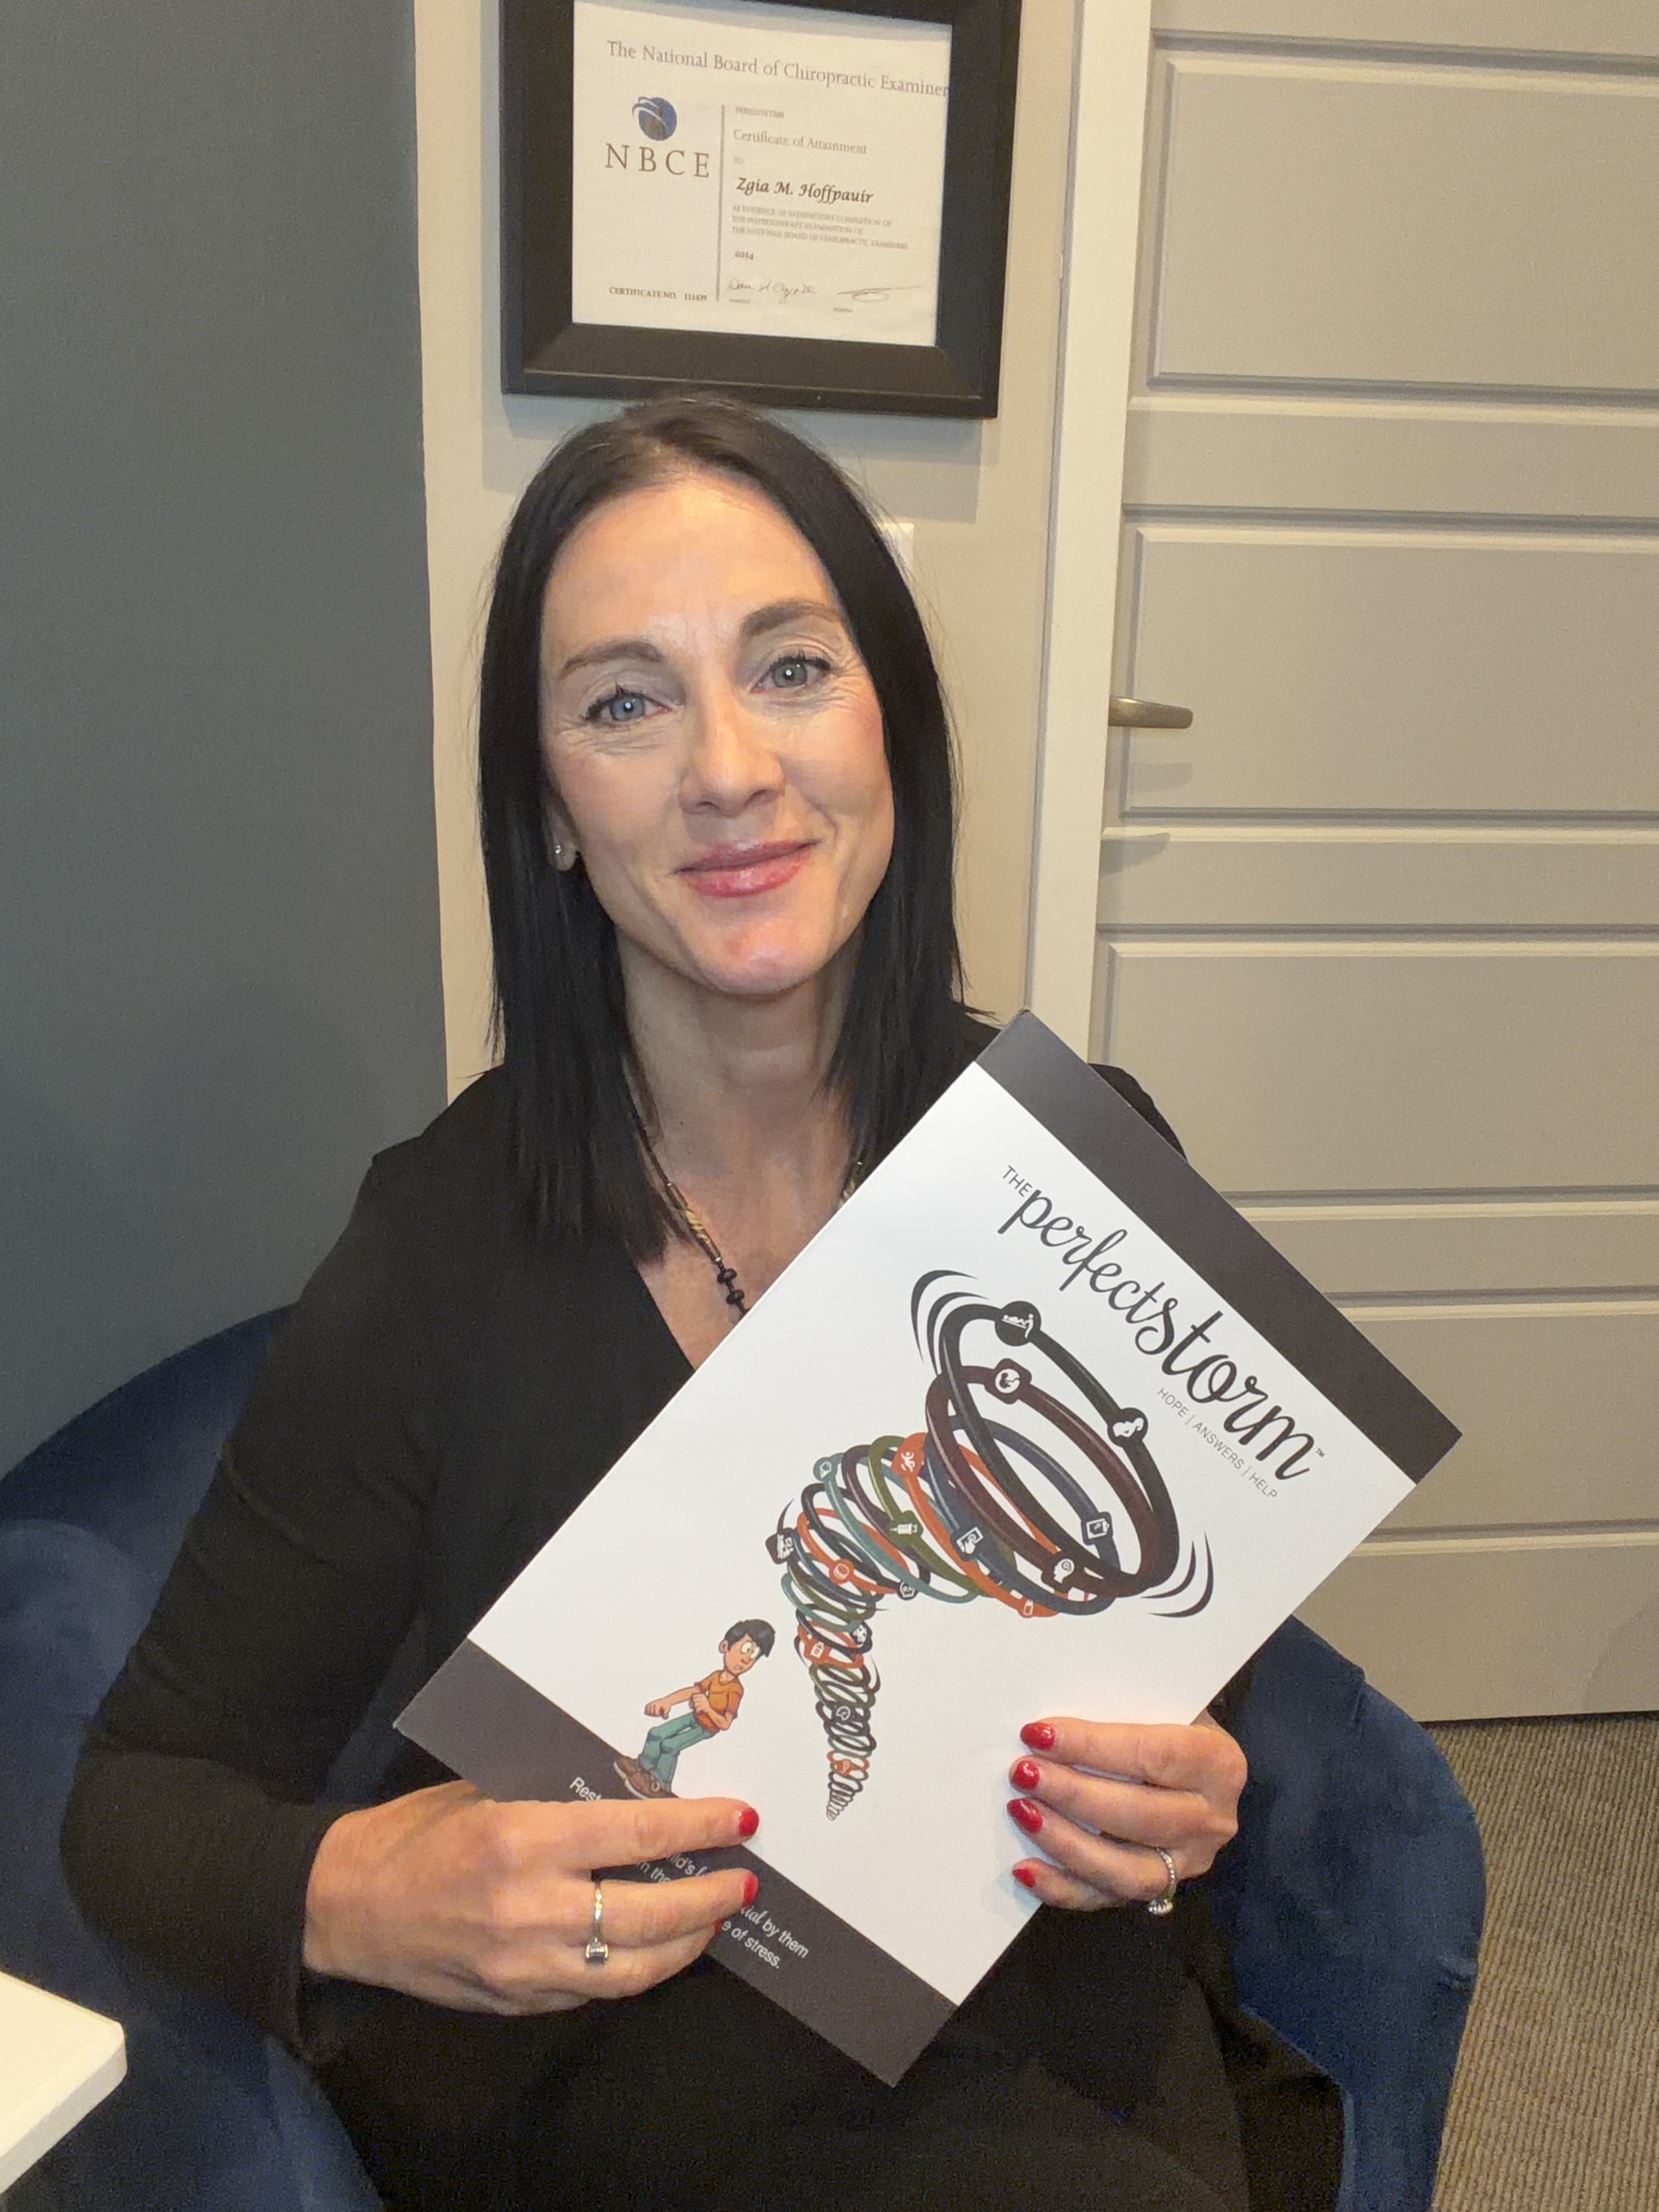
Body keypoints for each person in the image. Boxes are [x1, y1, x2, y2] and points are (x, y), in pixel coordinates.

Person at [62, 394, 1340, 2212]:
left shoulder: (1073, 1162)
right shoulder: (439, 1252)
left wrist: (1171, 1796)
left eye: (792, 668)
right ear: (549, 811)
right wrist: (363, 1888)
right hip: (640, 2075)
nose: (729, 768)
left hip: (1034, 2012)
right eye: (623, 703)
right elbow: (130, 1801)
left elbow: (1163, 1660)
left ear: (892, 728)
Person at [617, 1620, 775, 1799]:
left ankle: (659, 1785)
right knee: (656, 1734)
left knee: (670, 1746)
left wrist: (708, 1709)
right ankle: (643, 1767)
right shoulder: (716, 1676)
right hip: (695, 1716)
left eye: (754, 1654)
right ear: (725, 1646)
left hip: (708, 1727)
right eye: (746, 1648)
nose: (747, 1659)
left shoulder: (735, 1690)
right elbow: (695, 1690)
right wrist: (667, 1701)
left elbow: (725, 1723)